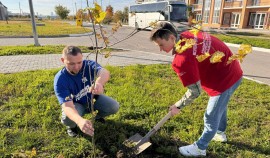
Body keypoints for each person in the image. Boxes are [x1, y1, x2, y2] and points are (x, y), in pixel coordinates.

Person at [150, 22, 243, 157]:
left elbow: (195, 91)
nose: (160, 49)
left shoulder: (182, 60)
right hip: (232, 70)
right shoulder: (189, 34)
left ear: (171, 38)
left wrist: (178, 106)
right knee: (220, 106)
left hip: (225, 79)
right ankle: (220, 133)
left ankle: (200, 148)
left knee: (211, 115)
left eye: (161, 45)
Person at [54, 46, 119, 137]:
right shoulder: (60, 80)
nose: (77, 67)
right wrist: (79, 121)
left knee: (113, 106)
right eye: (71, 63)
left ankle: (98, 117)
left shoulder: (88, 65)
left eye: (79, 62)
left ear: (82, 58)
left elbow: (104, 72)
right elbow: (67, 106)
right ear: (63, 60)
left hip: (92, 99)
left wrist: (99, 83)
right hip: (76, 105)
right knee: (68, 119)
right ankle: (72, 127)